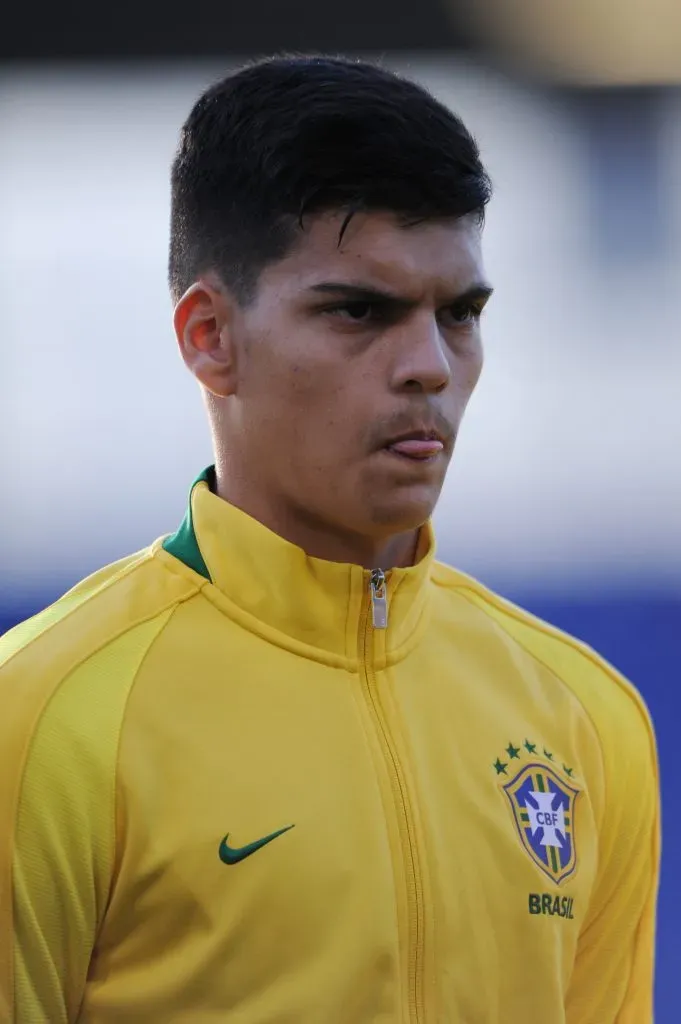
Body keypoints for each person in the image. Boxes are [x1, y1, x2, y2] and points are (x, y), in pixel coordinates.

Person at [0, 55, 659, 1024]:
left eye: (461, 314)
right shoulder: (42, 718)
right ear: (209, 337)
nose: (430, 366)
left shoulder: (586, 721)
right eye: (361, 310)